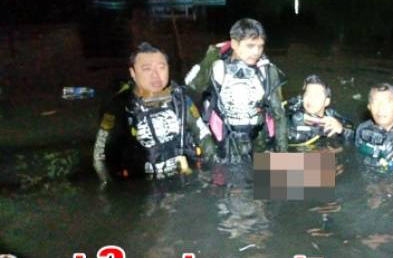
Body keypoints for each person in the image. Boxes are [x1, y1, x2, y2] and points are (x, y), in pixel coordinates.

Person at [93, 42, 215, 182]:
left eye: (161, 67)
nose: (156, 75)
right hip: (141, 184)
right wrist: (109, 185)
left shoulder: (180, 100)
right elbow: (100, 154)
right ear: (133, 72)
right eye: (147, 69)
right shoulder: (119, 106)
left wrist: (211, 173)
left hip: (184, 178)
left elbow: (203, 136)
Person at [184, 18, 287, 163]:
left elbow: (279, 114)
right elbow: (193, 85)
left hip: (258, 145)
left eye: (260, 46)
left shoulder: (267, 71)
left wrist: (282, 154)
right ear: (234, 44)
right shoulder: (216, 67)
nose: (256, 52)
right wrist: (212, 55)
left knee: (313, 171)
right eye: (250, 46)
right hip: (222, 146)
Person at [286, 74, 354, 145]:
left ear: (326, 101)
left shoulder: (331, 115)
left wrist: (342, 131)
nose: (311, 99)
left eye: (316, 95)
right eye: (307, 94)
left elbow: (355, 135)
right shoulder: (292, 118)